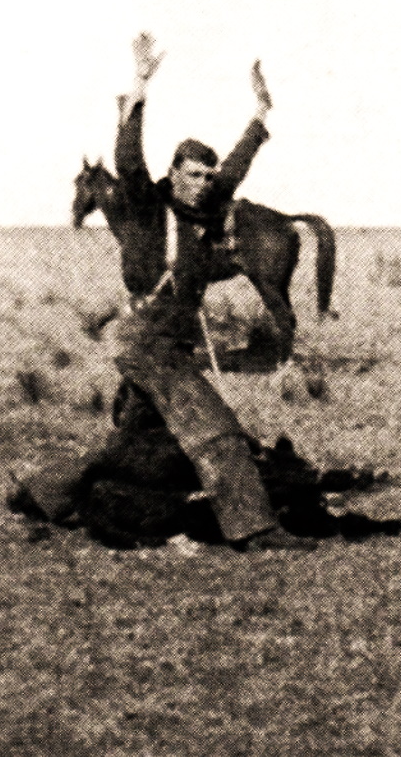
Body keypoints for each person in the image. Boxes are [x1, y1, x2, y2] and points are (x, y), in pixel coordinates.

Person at [110, 32, 314, 552]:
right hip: (145, 340)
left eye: (206, 176)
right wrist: (139, 85)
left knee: (134, 443)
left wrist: (261, 112)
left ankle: (47, 495)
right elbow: (129, 157)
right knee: (217, 431)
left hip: (172, 343)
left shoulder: (203, 208)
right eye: (192, 174)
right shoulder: (145, 205)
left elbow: (238, 164)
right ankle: (255, 527)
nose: (202, 183)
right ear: (173, 172)